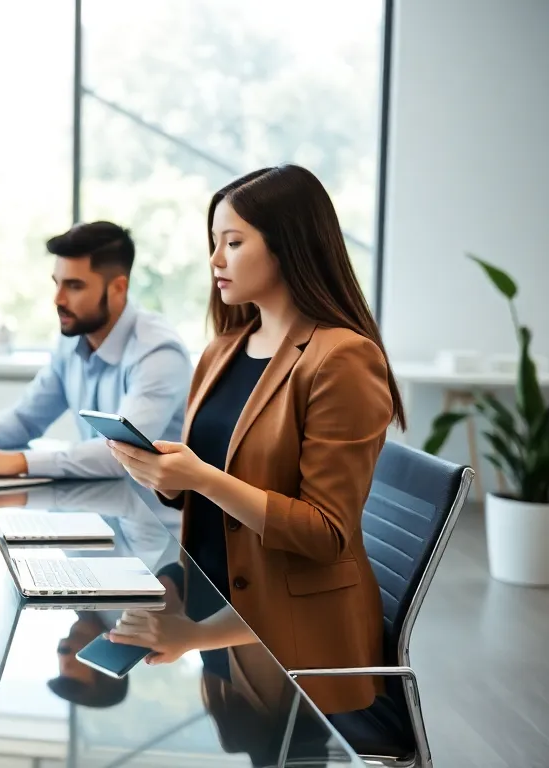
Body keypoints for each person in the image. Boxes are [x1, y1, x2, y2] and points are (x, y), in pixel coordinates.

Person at [103, 164, 407, 717]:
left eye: (234, 242)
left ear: (289, 246)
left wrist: (200, 478)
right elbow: (212, 483)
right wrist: (165, 475)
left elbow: (325, 534)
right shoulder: (223, 349)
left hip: (294, 642)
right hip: (212, 608)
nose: (215, 260)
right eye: (214, 242)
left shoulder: (342, 358)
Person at [0, 221, 192, 479]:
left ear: (118, 288)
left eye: (74, 286)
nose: (58, 299)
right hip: (96, 498)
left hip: (146, 504)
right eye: (57, 283)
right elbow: (27, 419)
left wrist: (18, 462)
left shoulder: (159, 353)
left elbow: (122, 455)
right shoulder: (72, 340)